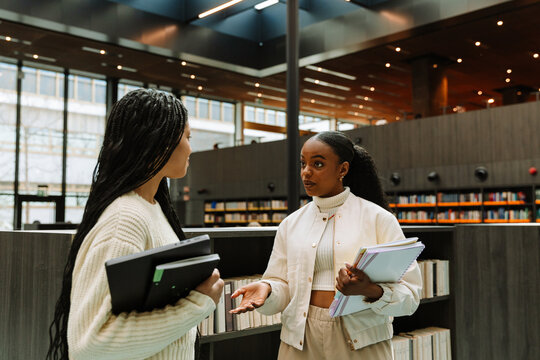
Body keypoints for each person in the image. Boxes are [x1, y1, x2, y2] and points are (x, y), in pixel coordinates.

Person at [47, 89, 224, 360]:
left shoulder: (152, 209)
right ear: (160, 141)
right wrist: (198, 305)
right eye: (187, 137)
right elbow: (90, 345)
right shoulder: (125, 219)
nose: (191, 148)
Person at [231, 131, 422, 359]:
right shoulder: (290, 224)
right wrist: (268, 289)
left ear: (342, 169)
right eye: (303, 164)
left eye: (318, 164)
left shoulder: (378, 219)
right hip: (299, 339)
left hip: (360, 340)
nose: (306, 172)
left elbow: (410, 297)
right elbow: (282, 286)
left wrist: (369, 290)